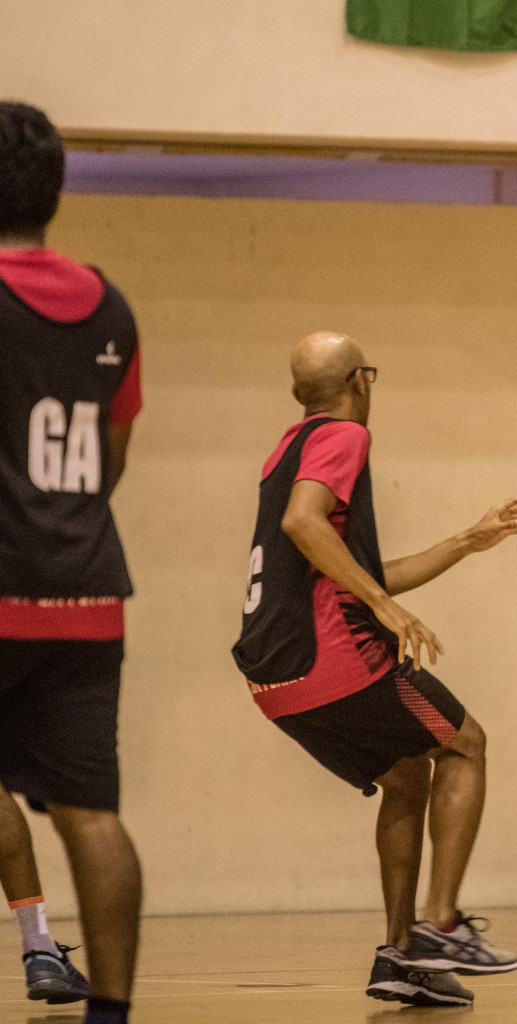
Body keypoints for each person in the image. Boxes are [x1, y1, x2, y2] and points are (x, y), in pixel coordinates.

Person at [233, 331, 517, 1006]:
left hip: (273, 678)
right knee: (466, 743)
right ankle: (441, 926)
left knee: (406, 778)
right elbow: (303, 525)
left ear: (295, 394)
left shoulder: (286, 448)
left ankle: (399, 957)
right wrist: (386, 611)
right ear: (361, 381)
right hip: (330, 657)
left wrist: (466, 541)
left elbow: (348, 570)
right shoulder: (344, 434)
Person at [0, 101, 145, 1024]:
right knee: (92, 812)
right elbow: (115, 451)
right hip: (89, 589)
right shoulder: (111, 303)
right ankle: (112, 1013)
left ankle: (36, 939)